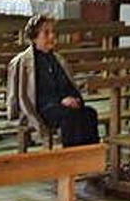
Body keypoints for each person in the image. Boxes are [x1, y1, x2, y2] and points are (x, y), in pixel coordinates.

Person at [7, 15, 99, 147]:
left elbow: (68, 85)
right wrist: (61, 101)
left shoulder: (58, 59)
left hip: (60, 106)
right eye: (46, 33)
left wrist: (73, 98)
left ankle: (90, 159)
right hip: (38, 108)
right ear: (34, 37)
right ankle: (72, 160)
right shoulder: (22, 62)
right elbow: (26, 97)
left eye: (53, 32)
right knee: (70, 117)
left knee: (89, 114)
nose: (52, 36)